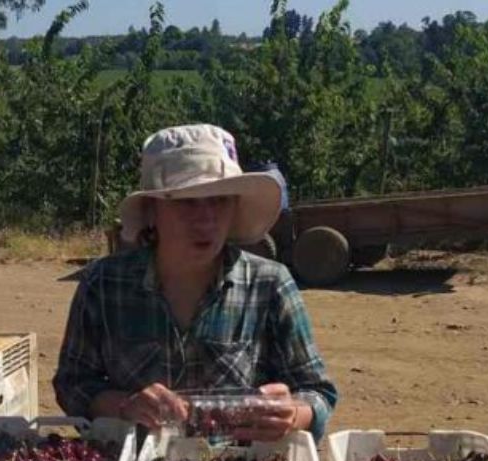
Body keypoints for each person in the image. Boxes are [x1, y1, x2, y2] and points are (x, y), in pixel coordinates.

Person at [54, 124, 337, 441]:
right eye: (186, 201)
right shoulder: (104, 284)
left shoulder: (269, 285)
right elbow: (72, 383)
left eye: (219, 200)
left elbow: (318, 392)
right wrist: (124, 406)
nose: (205, 220)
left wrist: (293, 414)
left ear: (235, 208)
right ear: (152, 211)